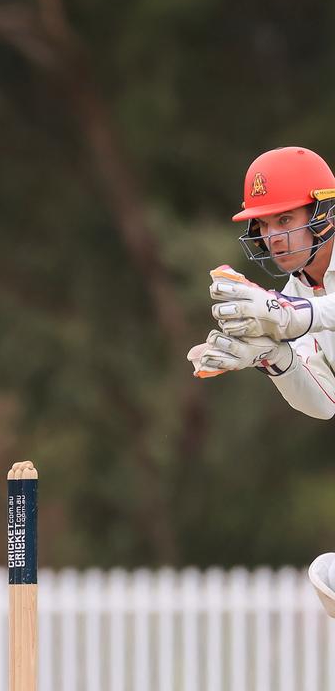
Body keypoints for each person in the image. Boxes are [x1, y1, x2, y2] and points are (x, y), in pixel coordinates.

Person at [186, 146, 335, 621]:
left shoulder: (293, 307)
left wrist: (292, 319)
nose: (273, 237)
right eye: (264, 225)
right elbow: (325, 402)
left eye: (285, 219)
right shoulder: (293, 296)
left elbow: (305, 316)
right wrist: (273, 356)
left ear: (323, 213)